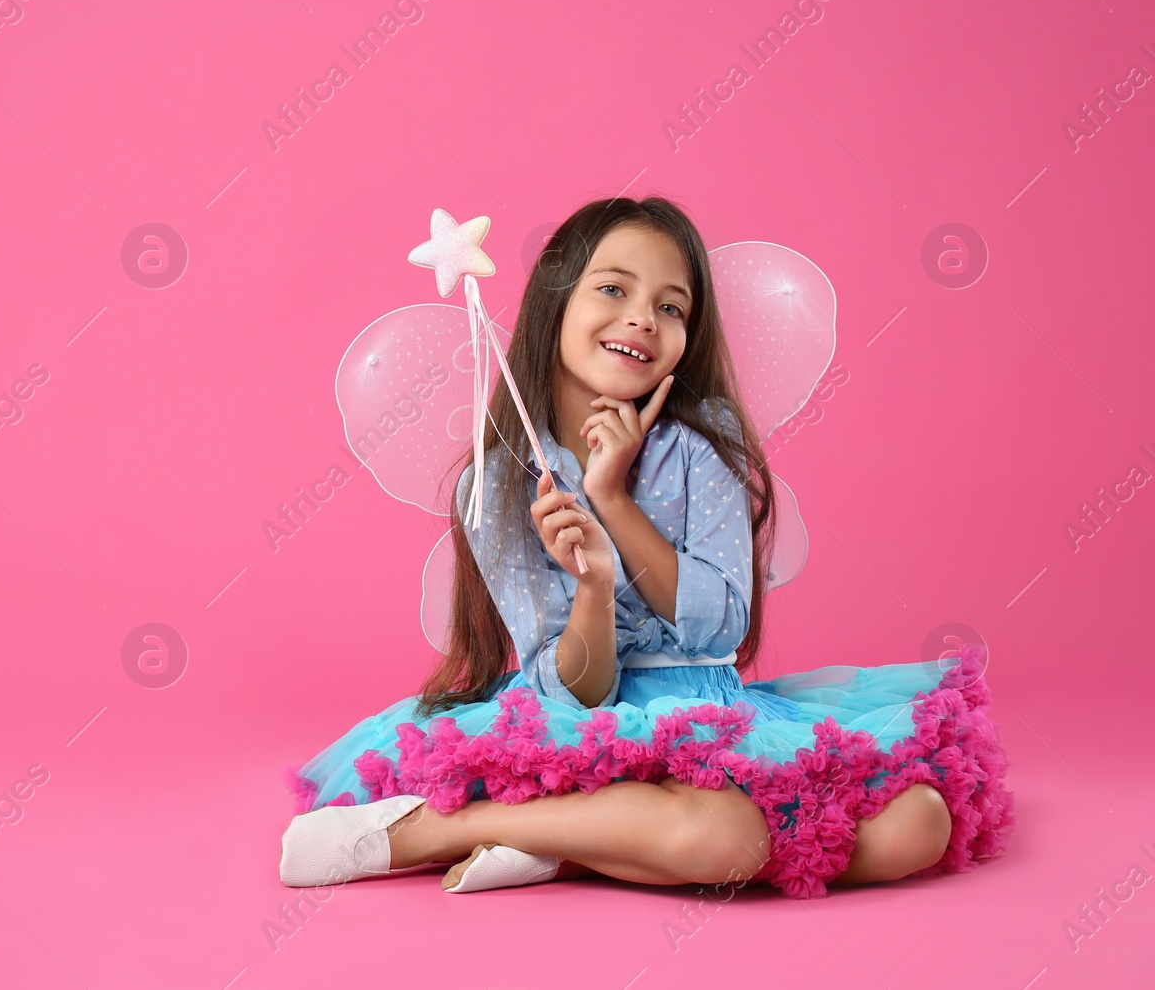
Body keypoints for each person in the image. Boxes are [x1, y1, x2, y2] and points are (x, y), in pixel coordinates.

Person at [280, 196, 1014, 899]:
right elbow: (574, 691)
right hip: (587, 727)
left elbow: (723, 625)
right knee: (731, 837)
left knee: (920, 822)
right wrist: (593, 587)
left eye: (671, 306)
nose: (643, 317)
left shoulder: (700, 450)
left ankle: (561, 848)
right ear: (555, 302)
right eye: (613, 288)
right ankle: (439, 828)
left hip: (712, 711)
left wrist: (614, 503)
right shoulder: (498, 481)